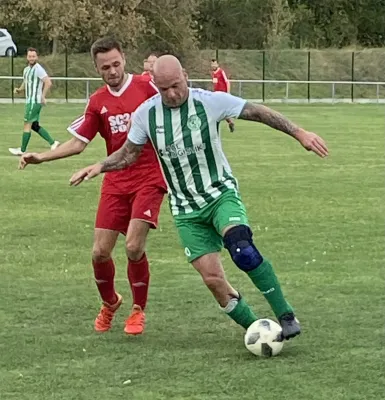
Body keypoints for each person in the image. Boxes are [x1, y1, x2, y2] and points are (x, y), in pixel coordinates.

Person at [69, 55, 329, 340]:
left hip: (220, 195)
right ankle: (259, 332)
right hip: (186, 212)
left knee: (242, 249)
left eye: (176, 85)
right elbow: (129, 153)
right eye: (164, 88)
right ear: (155, 84)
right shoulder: (146, 114)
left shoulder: (209, 101)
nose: (172, 94)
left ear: (186, 76)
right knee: (214, 281)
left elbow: (257, 112)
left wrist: (299, 132)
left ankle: (285, 314)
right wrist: (100, 165)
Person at [19, 38, 167, 335]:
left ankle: (138, 309)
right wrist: (42, 157)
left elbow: (180, 98)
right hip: (114, 178)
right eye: (105, 67)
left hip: (149, 177)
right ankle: (110, 303)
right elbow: (78, 143)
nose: (112, 71)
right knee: (100, 252)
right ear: (97, 68)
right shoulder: (98, 101)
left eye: (116, 64)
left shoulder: (147, 86)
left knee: (134, 245)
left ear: (124, 58)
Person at [9, 48, 60, 156]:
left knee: (27, 124)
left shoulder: (38, 69)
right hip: (30, 101)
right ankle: (53, 142)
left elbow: (48, 82)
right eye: (30, 56)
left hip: (34, 101)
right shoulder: (26, 70)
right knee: (34, 125)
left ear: (37, 57)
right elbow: (26, 81)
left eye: (33, 56)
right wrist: (20, 89)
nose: (31, 58)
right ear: (27, 57)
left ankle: (22, 150)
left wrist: (43, 96)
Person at [211, 58, 235, 133]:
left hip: (222, 94)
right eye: (212, 64)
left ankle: (227, 121)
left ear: (217, 64)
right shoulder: (213, 73)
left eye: (214, 64)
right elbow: (215, 84)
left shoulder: (221, 72)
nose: (213, 65)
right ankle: (230, 121)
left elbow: (227, 82)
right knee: (220, 110)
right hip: (216, 95)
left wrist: (228, 93)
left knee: (218, 109)